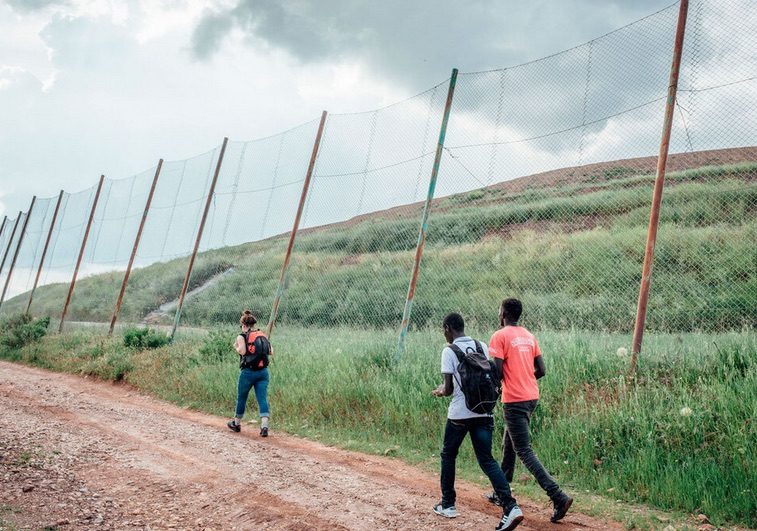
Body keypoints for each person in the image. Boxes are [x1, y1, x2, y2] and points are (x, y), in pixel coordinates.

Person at [432, 312, 524, 531]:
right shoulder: (481, 345)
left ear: (447, 328)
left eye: (444, 331)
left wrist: (439, 391)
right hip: (483, 412)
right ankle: (510, 506)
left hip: (459, 415)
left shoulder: (449, 351)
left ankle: (448, 505)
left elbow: (449, 389)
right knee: (487, 460)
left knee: (448, 455)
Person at [488, 298, 573, 523]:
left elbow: (496, 372)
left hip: (514, 399)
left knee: (523, 450)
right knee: (510, 443)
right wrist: (524, 378)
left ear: (503, 313)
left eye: (499, 310)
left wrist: (497, 385)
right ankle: (501, 490)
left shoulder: (500, 336)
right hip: (531, 396)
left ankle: (558, 496)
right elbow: (541, 370)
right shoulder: (529, 336)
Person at [227, 310, 272, 437]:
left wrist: (235, 346)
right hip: (263, 372)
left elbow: (242, 351)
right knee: (262, 398)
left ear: (244, 325)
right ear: (253, 324)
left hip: (248, 372)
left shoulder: (241, 336)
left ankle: (236, 423)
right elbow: (271, 351)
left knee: (242, 397)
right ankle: (264, 426)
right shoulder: (262, 335)